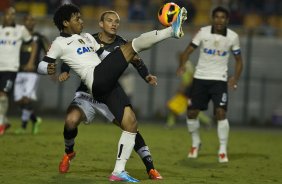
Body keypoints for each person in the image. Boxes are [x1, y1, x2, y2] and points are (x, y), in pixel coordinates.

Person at [37, 4, 187, 182]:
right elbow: (41, 65)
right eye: (77, 19)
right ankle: (171, 31)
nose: (82, 21)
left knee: (131, 123)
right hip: (95, 80)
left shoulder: (86, 38)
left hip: (106, 84)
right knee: (131, 46)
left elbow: (105, 56)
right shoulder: (59, 43)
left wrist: (124, 63)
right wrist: (47, 68)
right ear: (65, 23)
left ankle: (118, 171)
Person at [57, 10, 162, 180]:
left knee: (130, 126)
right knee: (70, 121)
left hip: (108, 95)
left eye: (116, 22)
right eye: (109, 20)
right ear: (101, 24)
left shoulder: (122, 45)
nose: (113, 24)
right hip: (86, 93)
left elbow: (137, 61)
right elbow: (70, 54)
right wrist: (64, 70)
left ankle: (150, 168)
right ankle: (68, 152)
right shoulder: (88, 40)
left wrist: (147, 76)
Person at [177, 6, 243, 163]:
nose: (219, 20)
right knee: (191, 113)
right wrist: (182, 64)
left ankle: (222, 149)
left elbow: (239, 61)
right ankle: (195, 143)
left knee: (221, 113)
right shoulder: (203, 32)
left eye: (223, 17)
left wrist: (235, 78)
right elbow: (187, 51)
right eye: (217, 17)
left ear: (227, 20)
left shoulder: (233, 37)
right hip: (200, 78)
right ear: (212, 18)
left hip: (219, 80)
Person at [0, 7, 36, 135]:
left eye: (13, 15)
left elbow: (33, 44)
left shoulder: (20, 30)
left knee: (3, 95)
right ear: (4, 16)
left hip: (11, 68)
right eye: (9, 14)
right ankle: (5, 120)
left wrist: (31, 62)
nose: (11, 17)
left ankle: (1, 125)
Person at [14, 14, 49, 134]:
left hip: (32, 73)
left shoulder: (39, 37)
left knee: (26, 99)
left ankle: (23, 127)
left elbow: (49, 52)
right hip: (18, 71)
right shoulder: (17, 36)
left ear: (35, 23)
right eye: (27, 20)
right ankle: (35, 120)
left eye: (32, 20)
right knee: (18, 100)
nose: (30, 22)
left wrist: (49, 68)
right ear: (23, 22)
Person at [166, 60, 211, 128]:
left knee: (184, 108)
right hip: (185, 93)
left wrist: (185, 89)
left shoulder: (187, 65)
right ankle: (170, 124)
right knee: (175, 107)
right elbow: (185, 80)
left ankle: (207, 121)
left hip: (187, 93)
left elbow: (190, 79)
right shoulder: (185, 68)